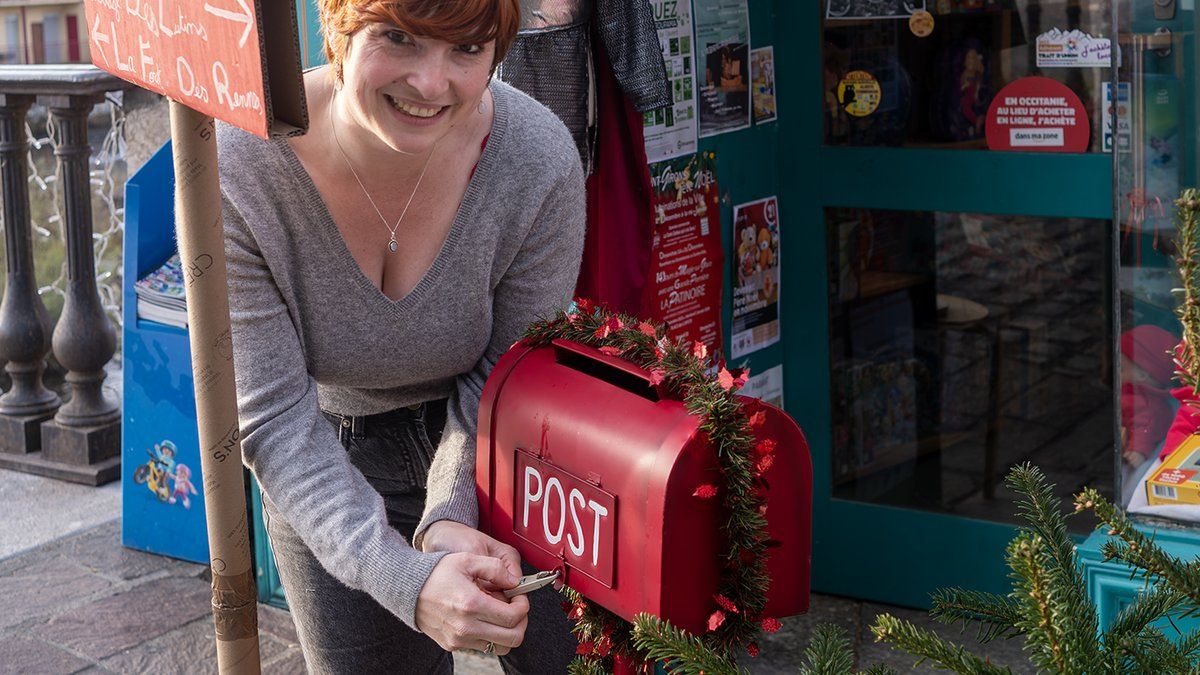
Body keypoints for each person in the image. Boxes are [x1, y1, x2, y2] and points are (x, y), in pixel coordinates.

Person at [216, 0, 587, 671]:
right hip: (328, 457)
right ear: (338, 27)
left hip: (508, 445)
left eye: (467, 49)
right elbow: (272, 417)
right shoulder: (245, 164)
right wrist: (405, 581)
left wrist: (450, 507)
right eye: (399, 38)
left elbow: (510, 370)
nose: (429, 83)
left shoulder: (537, 159)